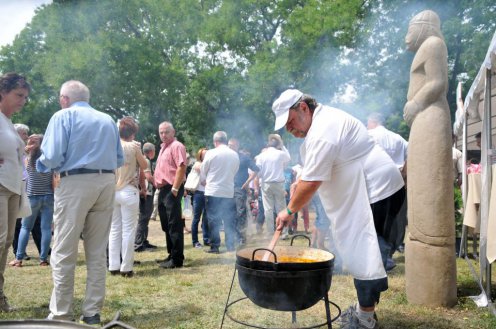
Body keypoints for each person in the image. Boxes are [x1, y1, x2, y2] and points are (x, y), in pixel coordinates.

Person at [273, 89, 388, 329]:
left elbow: (313, 182)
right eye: (286, 126)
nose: (289, 129)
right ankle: (364, 311)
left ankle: (365, 318)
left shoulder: (323, 130)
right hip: (363, 192)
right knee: (361, 250)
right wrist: (299, 180)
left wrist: (289, 211)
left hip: (375, 190)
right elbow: (311, 171)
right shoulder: (320, 125)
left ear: (303, 108)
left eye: (291, 121)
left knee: (365, 251)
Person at [37, 80, 124, 325]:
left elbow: (53, 156)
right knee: (97, 252)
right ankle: (92, 312)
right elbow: (118, 158)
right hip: (106, 181)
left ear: (65, 98)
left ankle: (61, 314)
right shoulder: (107, 119)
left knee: (64, 250)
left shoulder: (62, 116)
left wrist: (40, 161)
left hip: (75, 182)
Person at [0, 72, 31, 312]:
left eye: (25, 97)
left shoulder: (8, 121)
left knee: (6, 241)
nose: (23, 100)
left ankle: (0, 294)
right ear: (3, 92)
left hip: (13, 187)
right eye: (19, 95)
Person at [108, 117, 150, 278]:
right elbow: (145, 165)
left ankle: (113, 265)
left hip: (113, 190)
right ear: (132, 132)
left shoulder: (112, 144)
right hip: (129, 190)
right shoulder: (133, 146)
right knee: (128, 230)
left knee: (114, 230)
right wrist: (138, 150)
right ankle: (126, 267)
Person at [10, 134, 54, 267]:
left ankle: (18, 259)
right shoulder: (49, 159)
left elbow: (17, 151)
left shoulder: (28, 160)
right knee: (46, 228)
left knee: (25, 227)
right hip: (48, 196)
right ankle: (43, 259)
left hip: (32, 197)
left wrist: (27, 146)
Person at [154, 121, 187, 269]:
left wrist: (175, 188)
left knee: (174, 224)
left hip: (171, 188)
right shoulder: (163, 148)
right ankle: (171, 254)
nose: (163, 135)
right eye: (161, 132)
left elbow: (182, 166)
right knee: (166, 225)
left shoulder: (177, 146)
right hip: (162, 190)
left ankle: (177, 259)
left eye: (166, 131)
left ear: (173, 132)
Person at [200, 131, 239, 253]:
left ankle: (215, 246)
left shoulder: (211, 153)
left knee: (213, 220)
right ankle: (230, 246)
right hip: (228, 191)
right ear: (226, 141)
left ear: (215, 142)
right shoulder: (234, 154)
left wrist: (203, 180)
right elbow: (235, 170)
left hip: (213, 191)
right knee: (229, 219)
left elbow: (203, 170)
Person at [12, 123, 42, 260]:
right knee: (18, 223)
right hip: (16, 189)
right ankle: (19, 251)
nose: (27, 136)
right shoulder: (13, 148)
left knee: (35, 221)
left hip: (28, 190)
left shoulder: (27, 150)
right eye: (24, 134)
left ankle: (44, 249)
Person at [255, 134, 291, 237]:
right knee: (281, 208)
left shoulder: (261, 156)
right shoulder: (280, 154)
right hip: (279, 183)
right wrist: (283, 145)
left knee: (268, 210)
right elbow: (288, 158)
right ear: (277, 145)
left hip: (266, 183)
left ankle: (270, 233)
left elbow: (259, 172)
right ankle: (283, 232)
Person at [228, 138, 259, 245]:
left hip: (239, 189)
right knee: (230, 213)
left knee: (241, 212)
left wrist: (247, 183)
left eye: (232, 145)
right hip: (227, 188)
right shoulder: (227, 157)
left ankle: (242, 237)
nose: (230, 147)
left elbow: (256, 169)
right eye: (229, 145)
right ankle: (233, 236)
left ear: (237, 146)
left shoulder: (244, 158)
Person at [135, 142, 157, 252]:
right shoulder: (146, 161)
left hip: (144, 192)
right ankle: (138, 243)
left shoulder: (142, 158)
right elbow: (148, 177)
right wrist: (158, 184)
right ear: (151, 151)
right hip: (146, 193)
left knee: (145, 218)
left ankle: (144, 240)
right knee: (143, 218)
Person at [188, 147, 210, 248]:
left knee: (206, 218)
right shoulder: (197, 164)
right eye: (203, 154)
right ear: (200, 156)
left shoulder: (209, 165)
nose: (205, 156)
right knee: (196, 218)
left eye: (207, 154)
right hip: (198, 194)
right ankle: (195, 241)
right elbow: (202, 169)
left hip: (207, 193)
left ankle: (206, 239)